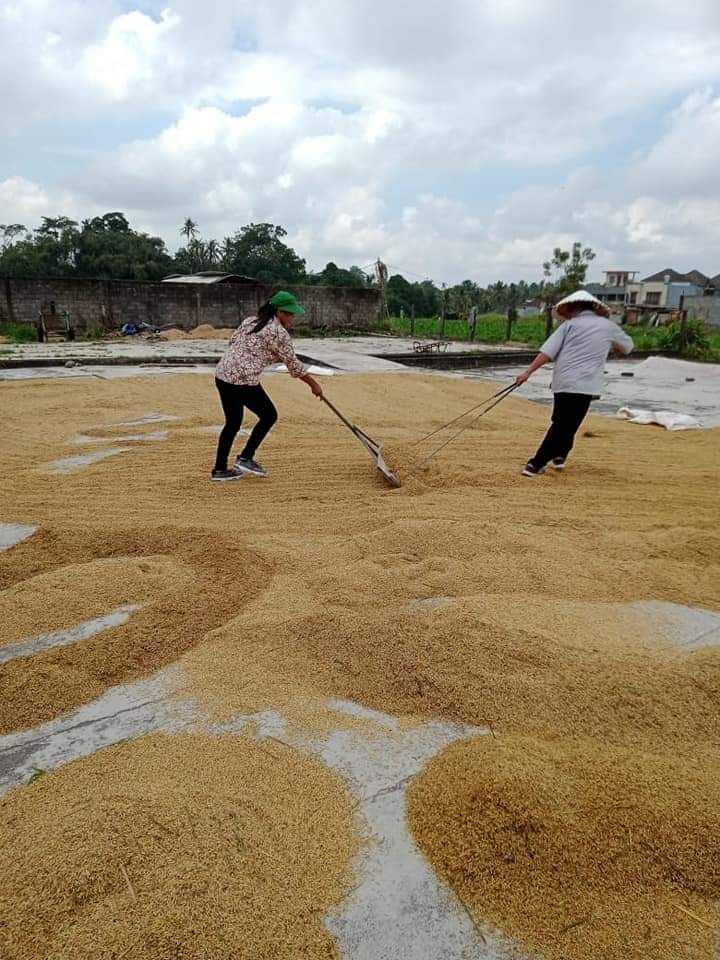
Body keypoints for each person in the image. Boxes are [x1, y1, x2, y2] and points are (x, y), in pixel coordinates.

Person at [514, 289, 634, 477]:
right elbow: (627, 347)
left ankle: (557, 455)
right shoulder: (608, 327)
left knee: (562, 423)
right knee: (567, 424)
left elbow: (548, 352)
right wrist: (614, 348)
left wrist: (527, 373)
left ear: (574, 307)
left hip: (564, 381)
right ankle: (537, 463)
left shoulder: (569, 326)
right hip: (587, 384)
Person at [211, 290, 324, 481]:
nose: (292, 317)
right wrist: (314, 384)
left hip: (223, 374)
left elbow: (233, 341)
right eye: (289, 313)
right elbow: (293, 365)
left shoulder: (250, 321)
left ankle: (220, 470)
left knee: (232, 423)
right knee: (269, 415)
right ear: (279, 312)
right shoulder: (279, 333)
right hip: (243, 379)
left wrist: (261, 355)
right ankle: (246, 457)